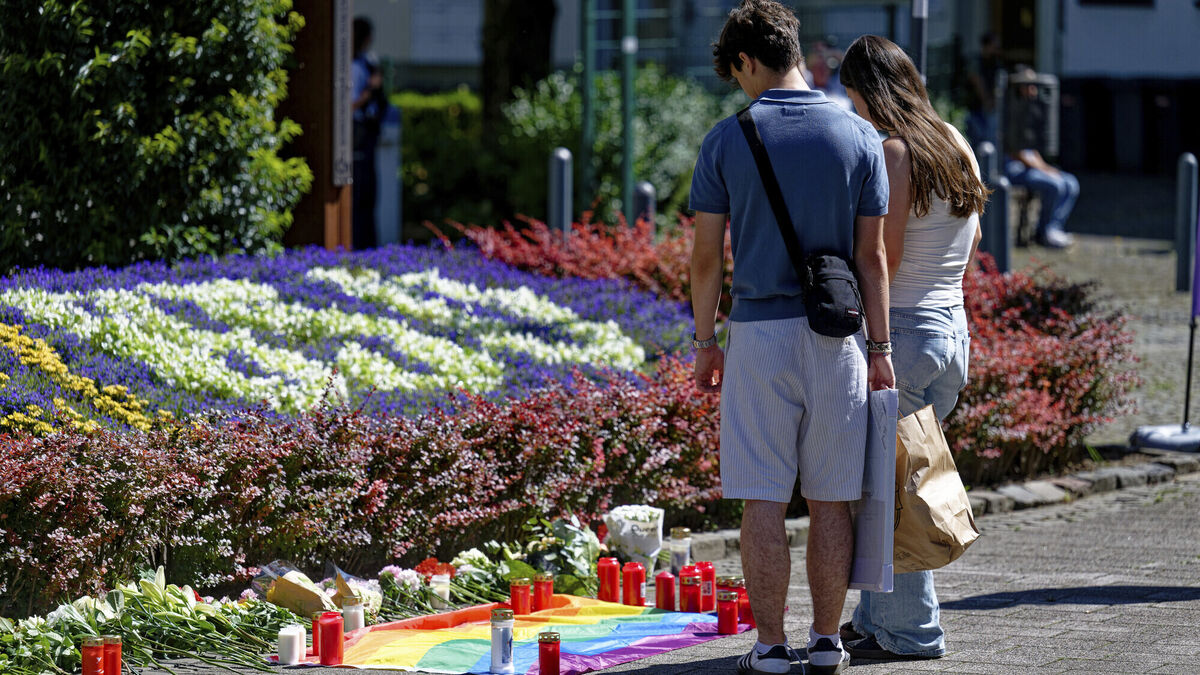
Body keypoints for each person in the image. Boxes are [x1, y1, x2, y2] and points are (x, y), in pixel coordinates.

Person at [689, 2, 893, 673]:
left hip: (758, 335)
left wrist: (704, 341)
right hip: (840, 336)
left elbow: (706, 259)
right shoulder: (859, 136)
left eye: (737, 75)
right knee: (832, 498)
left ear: (747, 60)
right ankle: (828, 642)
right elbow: (872, 259)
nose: (740, 87)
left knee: (764, 498)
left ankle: (772, 647)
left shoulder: (727, 139)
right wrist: (882, 351)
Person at [837, 34, 986, 661]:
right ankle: (875, 619)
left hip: (905, 334)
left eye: (851, 95)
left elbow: (886, 258)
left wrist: (868, 333)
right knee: (892, 478)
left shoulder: (894, 152)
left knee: (893, 490)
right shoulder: (955, 142)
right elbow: (970, 243)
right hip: (951, 331)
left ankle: (912, 632)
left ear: (867, 92)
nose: (851, 108)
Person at [1004, 66, 1078, 249]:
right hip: (1014, 169)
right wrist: (1044, 170)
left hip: (1032, 166)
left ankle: (1054, 227)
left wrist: (1047, 168)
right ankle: (1043, 232)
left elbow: (1032, 150)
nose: (1033, 90)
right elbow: (1017, 153)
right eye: (1029, 85)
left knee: (1071, 183)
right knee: (1055, 185)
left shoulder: (1030, 110)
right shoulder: (1010, 112)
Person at [352, 16, 386, 250]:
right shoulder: (355, 66)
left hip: (367, 133)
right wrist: (369, 91)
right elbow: (350, 105)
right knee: (360, 192)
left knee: (368, 193)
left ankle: (367, 243)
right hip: (357, 134)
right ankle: (359, 242)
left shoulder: (367, 62)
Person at [965, 32, 1002, 150]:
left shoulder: (995, 63)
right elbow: (976, 81)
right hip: (976, 107)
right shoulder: (977, 62)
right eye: (994, 46)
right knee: (978, 141)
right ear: (986, 46)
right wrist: (986, 100)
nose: (996, 50)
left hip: (989, 108)